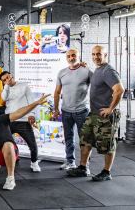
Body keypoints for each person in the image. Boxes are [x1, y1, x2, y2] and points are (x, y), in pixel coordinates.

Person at [67, 45, 124, 181]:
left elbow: (119, 90)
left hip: (106, 116)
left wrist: (110, 109)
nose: (95, 57)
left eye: (98, 54)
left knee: (107, 145)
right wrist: (82, 65)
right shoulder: (98, 70)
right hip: (93, 114)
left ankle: (106, 172)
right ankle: (83, 167)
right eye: (93, 54)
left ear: (105, 55)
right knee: (85, 140)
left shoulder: (108, 71)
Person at [54, 48, 93, 170]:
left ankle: (84, 165)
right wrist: (56, 109)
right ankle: (70, 161)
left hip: (82, 111)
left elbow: (97, 87)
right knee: (68, 138)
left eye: (74, 55)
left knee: (85, 140)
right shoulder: (61, 72)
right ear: (66, 58)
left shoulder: (86, 71)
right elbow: (57, 92)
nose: (71, 58)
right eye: (69, 56)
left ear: (79, 56)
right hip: (66, 111)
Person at [0, 71, 41, 172]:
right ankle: (1, 161)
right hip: (9, 120)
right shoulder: (6, 89)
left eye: (8, 77)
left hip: (23, 120)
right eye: (4, 80)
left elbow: (31, 101)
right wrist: (6, 86)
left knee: (32, 144)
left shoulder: (24, 85)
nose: (7, 80)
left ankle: (34, 162)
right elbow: (3, 98)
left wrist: (32, 115)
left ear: (12, 75)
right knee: (3, 143)